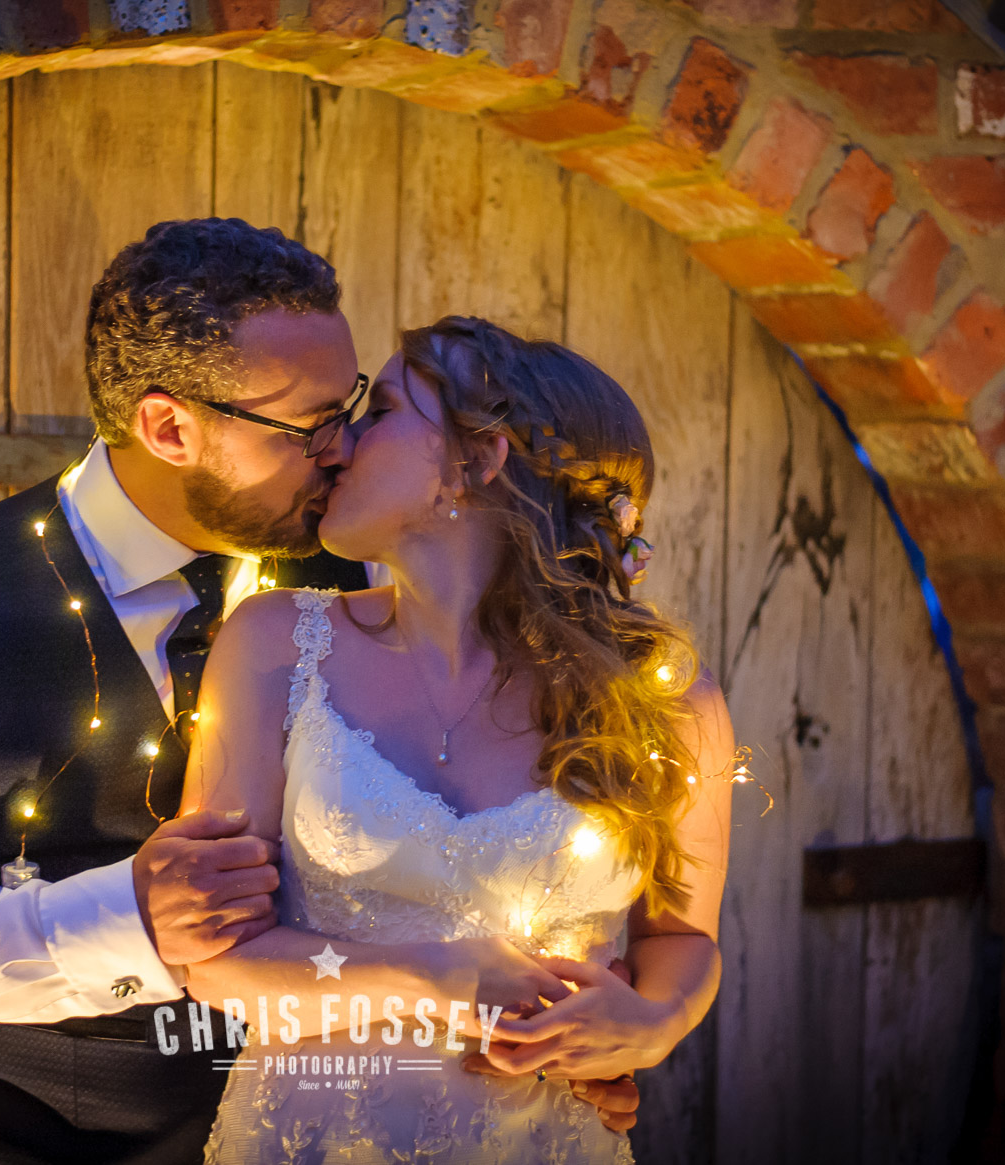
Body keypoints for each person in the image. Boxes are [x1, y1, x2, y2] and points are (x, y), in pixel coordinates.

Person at [0, 220, 629, 1165]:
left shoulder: (362, 561)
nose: (344, 446)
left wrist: (574, 1026)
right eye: (308, 426)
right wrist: (126, 920)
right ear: (169, 428)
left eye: (350, 406)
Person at [180, 315, 735, 1163]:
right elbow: (214, 961)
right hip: (306, 1137)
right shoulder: (273, 645)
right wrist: (430, 979)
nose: (339, 446)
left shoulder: (665, 700)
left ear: (478, 461)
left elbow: (680, 941)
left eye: (384, 410)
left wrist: (653, 1023)